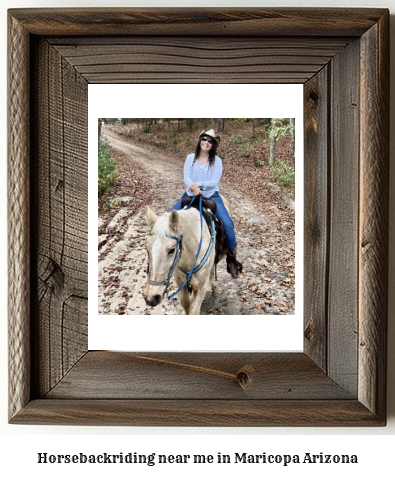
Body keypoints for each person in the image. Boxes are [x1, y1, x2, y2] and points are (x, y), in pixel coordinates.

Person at [171, 129, 242, 279]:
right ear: (199, 140)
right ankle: (168, 256)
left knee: (228, 225)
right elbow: (186, 177)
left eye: (210, 141)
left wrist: (199, 185)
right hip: (190, 194)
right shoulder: (190, 158)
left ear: (213, 145)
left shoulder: (217, 161)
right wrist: (193, 187)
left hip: (211, 195)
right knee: (168, 218)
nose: (206, 142)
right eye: (204, 139)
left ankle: (231, 258)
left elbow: (214, 182)